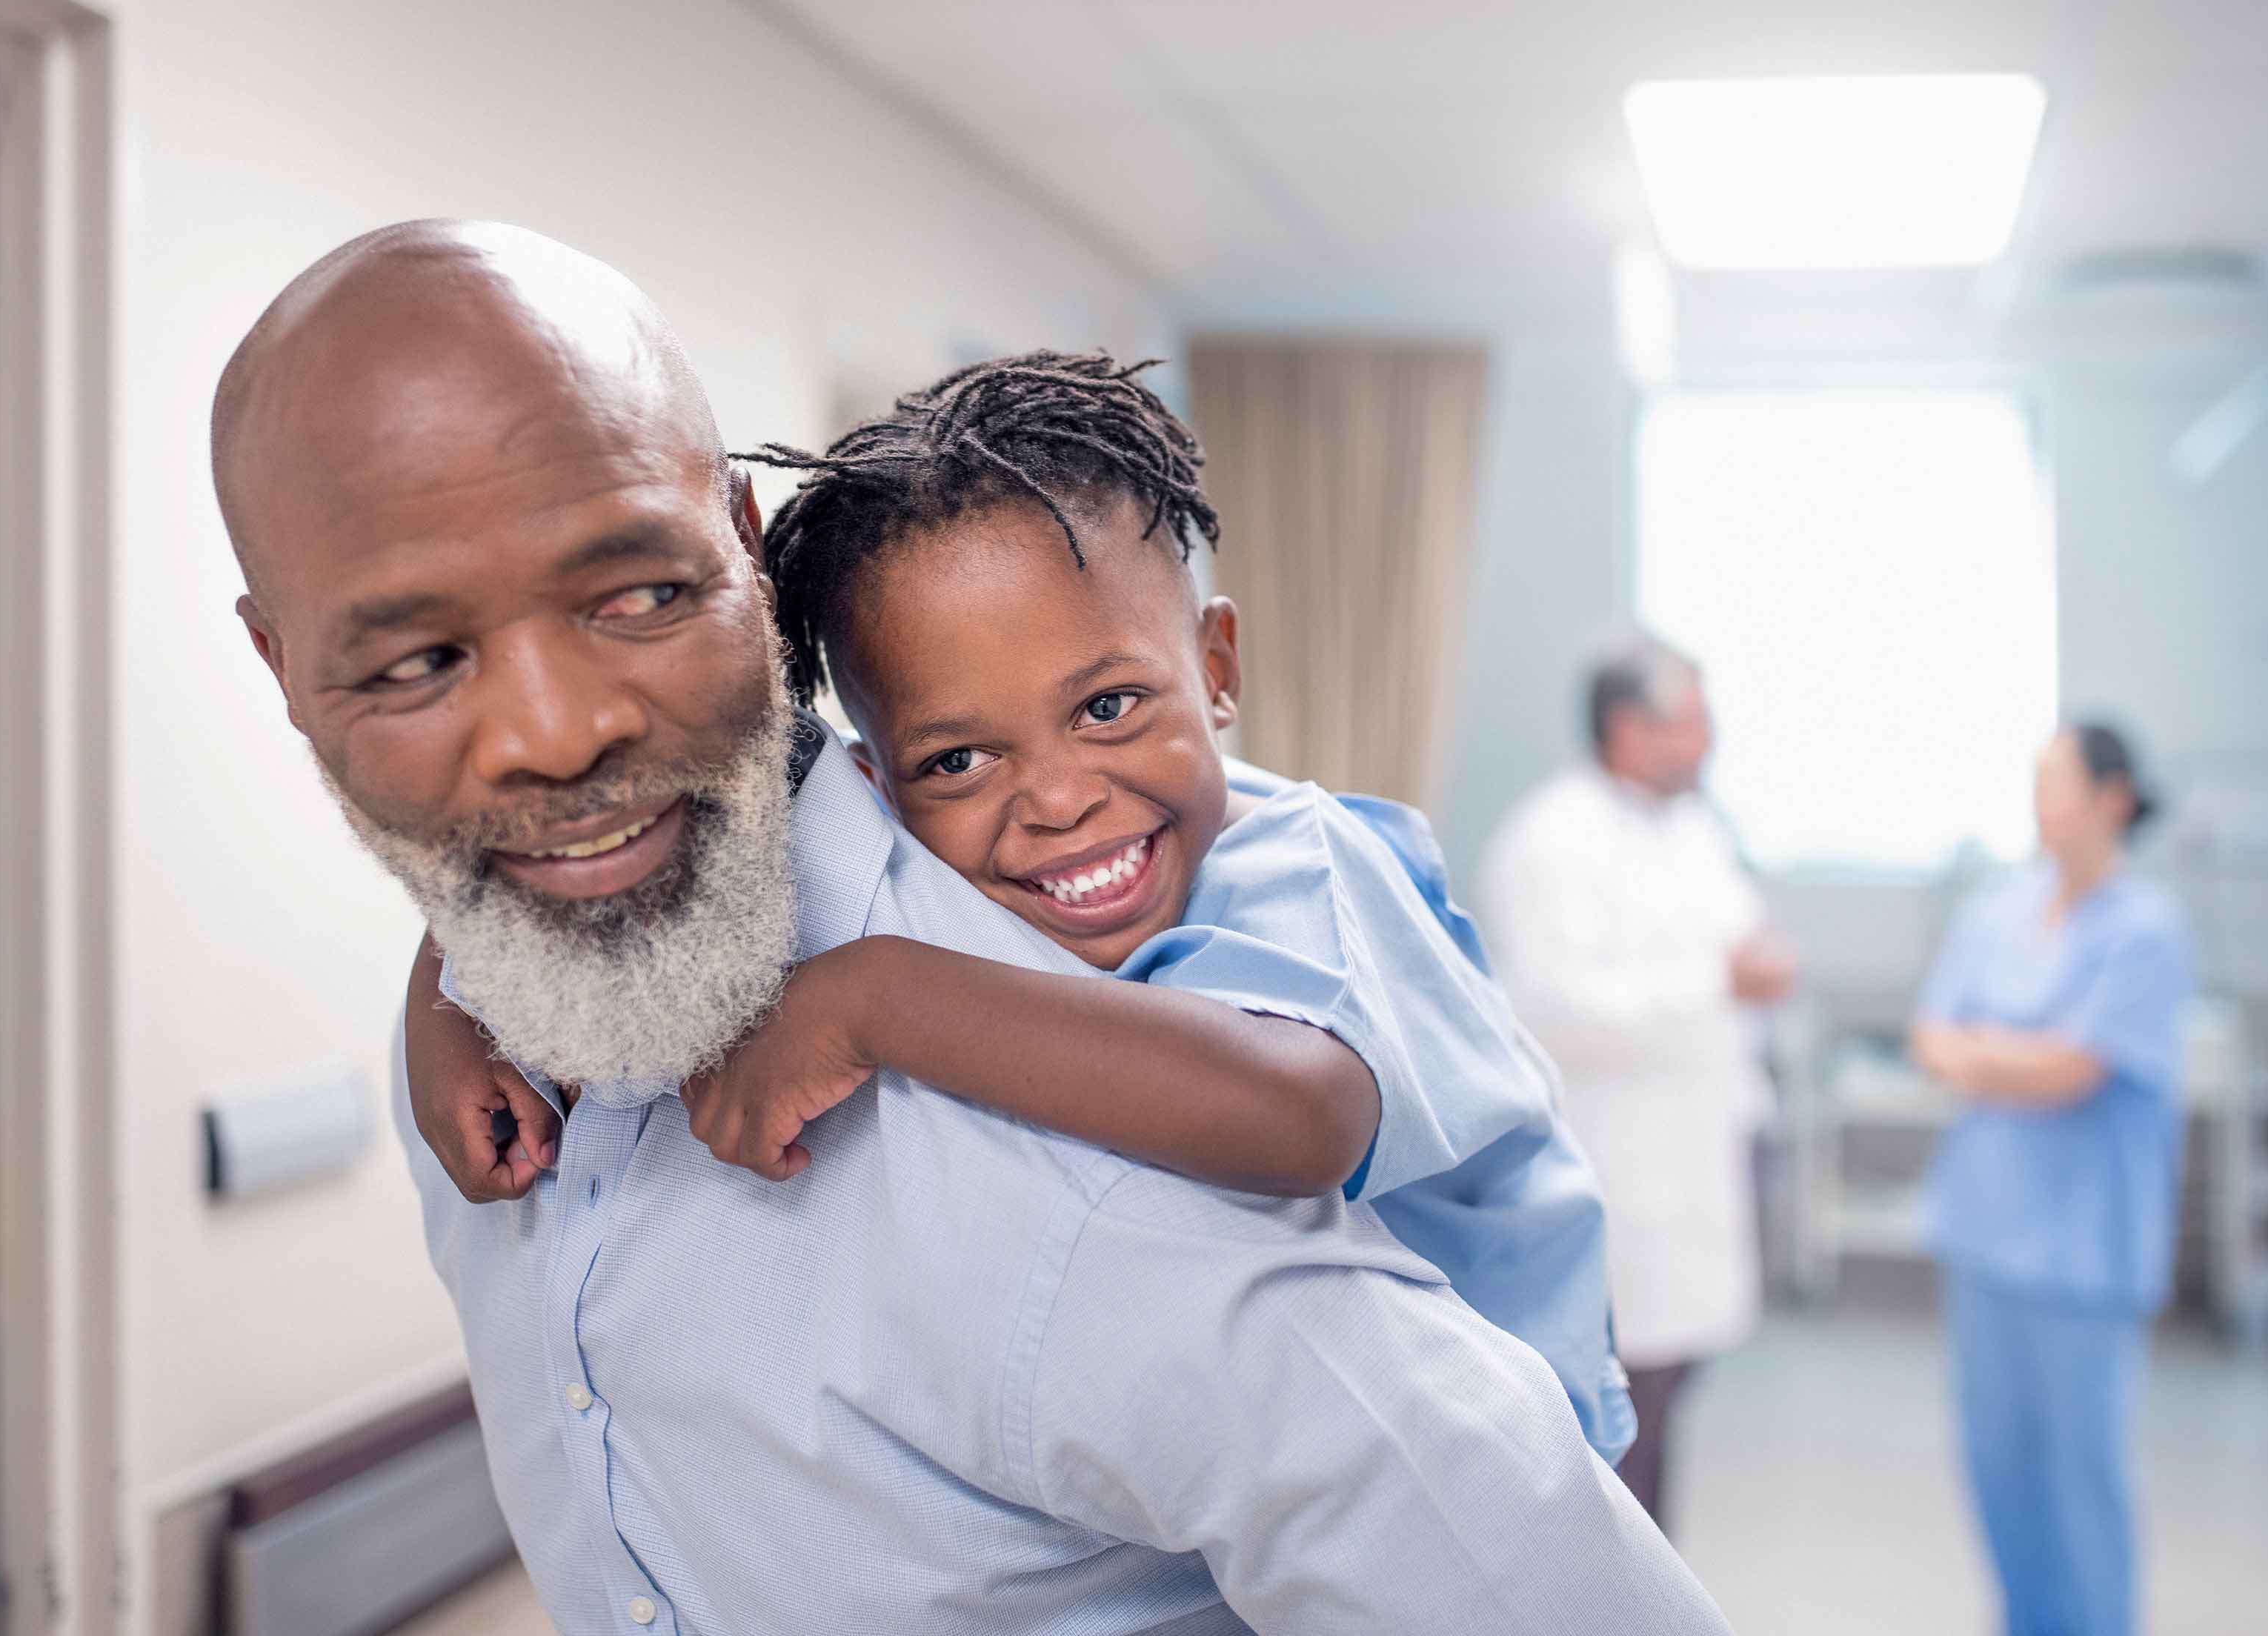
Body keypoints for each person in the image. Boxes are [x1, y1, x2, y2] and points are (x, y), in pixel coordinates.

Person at [223, 221, 1712, 1632]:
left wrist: (877, 1000)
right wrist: (449, 983)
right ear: (283, 667)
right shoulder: (508, 995)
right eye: (420, 662)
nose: (547, 740)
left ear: (741, 550)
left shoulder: (1110, 1116)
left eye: (636, 594)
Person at [393, 349, 1635, 1467]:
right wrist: (459, 989)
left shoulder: (1305, 867)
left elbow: (1298, 1112)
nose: (1054, 799)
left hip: (1502, 1456)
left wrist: (874, 1001)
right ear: (880, 784)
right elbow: (650, 820)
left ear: (1216, 668)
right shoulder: (937, 844)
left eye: (1107, 708)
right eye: (958, 761)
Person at [1477, 637, 1793, 1528]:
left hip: (1694, 1163)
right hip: (1615, 1174)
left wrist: (1753, 970)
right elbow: (1553, 1008)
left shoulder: (1695, 827)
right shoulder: (1551, 838)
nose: (1707, 740)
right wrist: (1718, 985)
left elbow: (1736, 942)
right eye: (1687, 722)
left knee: (1665, 1409)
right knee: (1613, 1439)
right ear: (1626, 729)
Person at [1906, 722, 2197, 1636]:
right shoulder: (1996, 907)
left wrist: (1988, 1056)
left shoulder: (2148, 930)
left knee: (2082, 1480)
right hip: (1987, 1236)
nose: (2041, 803)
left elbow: (2079, 1070)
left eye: (2058, 783)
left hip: (2083, 1253)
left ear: (2113, 798)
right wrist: (2017, 1057)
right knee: (1998, 1467)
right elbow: (1931, 1035)